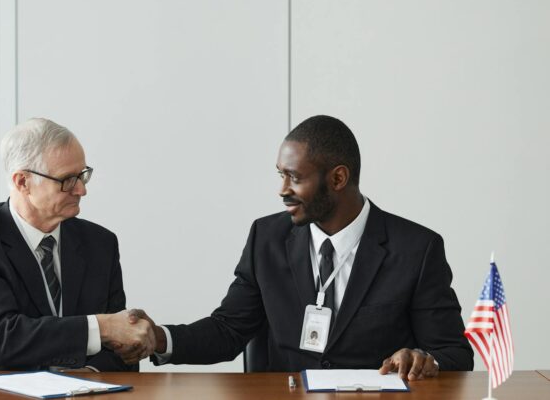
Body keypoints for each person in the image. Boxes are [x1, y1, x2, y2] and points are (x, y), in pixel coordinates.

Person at [125, 115, 473, 379]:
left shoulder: (416, 249)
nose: (282, 189)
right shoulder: (266, 238)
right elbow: (228, 330)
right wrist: (159, 338)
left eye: (295, 177)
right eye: (281, 174)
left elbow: (455, 354)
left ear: (338, 178)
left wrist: (424, 360)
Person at [0, 118, 154, 371]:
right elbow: (1, 341)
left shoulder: (101, 243)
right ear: (23, 182)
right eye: (67, 180)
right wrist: (102, 327)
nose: (81, 190)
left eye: (82, 176)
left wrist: (87, 377)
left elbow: (122, 347)